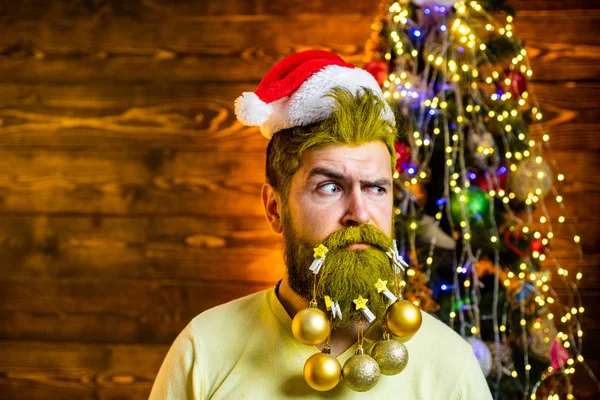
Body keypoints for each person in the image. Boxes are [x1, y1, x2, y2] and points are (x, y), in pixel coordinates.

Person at [149, 50, 493, 399]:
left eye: (376, 188)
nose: (359, 212)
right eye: (330, 187)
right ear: (274, 209)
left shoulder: (451, 366)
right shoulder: (204, 350)